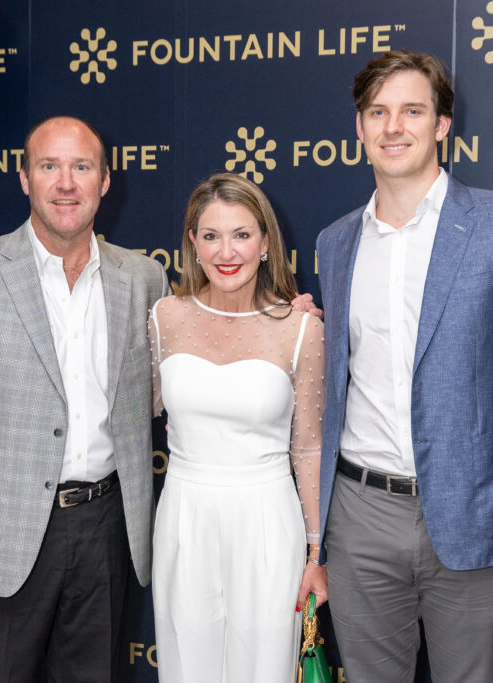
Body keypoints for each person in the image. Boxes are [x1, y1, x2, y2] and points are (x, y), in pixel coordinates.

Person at [315, 50, 493, 682]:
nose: (393, 126)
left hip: (476, 514)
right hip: (359, 517)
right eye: (377, 112)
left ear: (442, 124)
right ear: (359, 127)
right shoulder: (335, 242)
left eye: (412, 110)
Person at [0, 116, 170, 682]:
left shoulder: (144, 279)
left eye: (81, 167)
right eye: (49, 166)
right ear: (25, 178)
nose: (66, 183)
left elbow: (181, 374)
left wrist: (279, 317)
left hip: (107, 527)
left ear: (105, 181)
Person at [148, 173, 328, 682]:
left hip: (266, 521)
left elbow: (308, 449)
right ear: (193, 243)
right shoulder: (164, 317)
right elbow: (140, 413)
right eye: (211, 235)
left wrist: (316, 553)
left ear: (265, 242)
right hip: (184, 519)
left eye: (242, 235)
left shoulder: (301, 328)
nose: (226, 251)